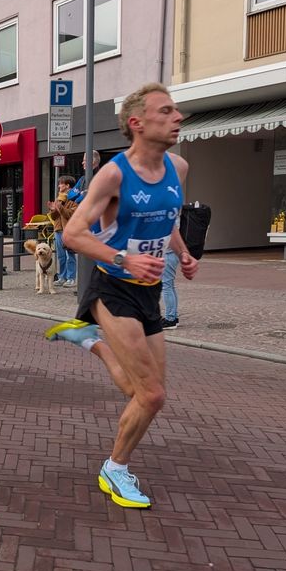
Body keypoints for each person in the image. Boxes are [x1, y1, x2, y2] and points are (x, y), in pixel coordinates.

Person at [45, 82, 198, 510]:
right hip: (112, 288)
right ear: (137, 123)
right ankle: (115, 468)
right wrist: (124, 259)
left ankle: (90, 342)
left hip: (149, 293)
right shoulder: (113, 175)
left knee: (140, 390)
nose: (177, 117)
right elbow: (74, 235)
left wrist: (184, 253)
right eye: (165, 111)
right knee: (153, 396)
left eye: (176, 110)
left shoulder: (179, 168)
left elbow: (166, 220)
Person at [47, 175, 78, 287]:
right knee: (61, 256)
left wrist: (60, 208)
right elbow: (54, 217)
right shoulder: (59, 198)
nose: (59, 186)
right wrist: (53, 210)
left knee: (70, 255)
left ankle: (71, 278)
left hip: (68, 230)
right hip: (58, 230)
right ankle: (62, 277)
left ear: (67, 185)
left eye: (61, 183)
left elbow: (71, 214)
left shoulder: (75, 198)